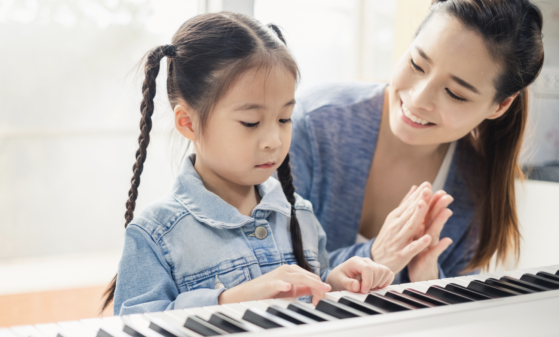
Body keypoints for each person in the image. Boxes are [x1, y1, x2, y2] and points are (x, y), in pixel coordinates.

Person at [102, 12, 394, 315]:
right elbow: (135, 329)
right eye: (251, 122)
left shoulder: (300, 214)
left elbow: (310, 295)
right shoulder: (155, 233)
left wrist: (333, 283)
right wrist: (229, 301)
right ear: (188, 122)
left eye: (284, 119)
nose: (274, 140)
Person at [290, 0, 544, 283]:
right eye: (416, 64)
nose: (418, 99)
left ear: (500, 106)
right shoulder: (314, 125)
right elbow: (260, 277)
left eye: (455, 93)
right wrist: (375, 256)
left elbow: (453, 316)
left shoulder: (477, 182)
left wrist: (429, 281)